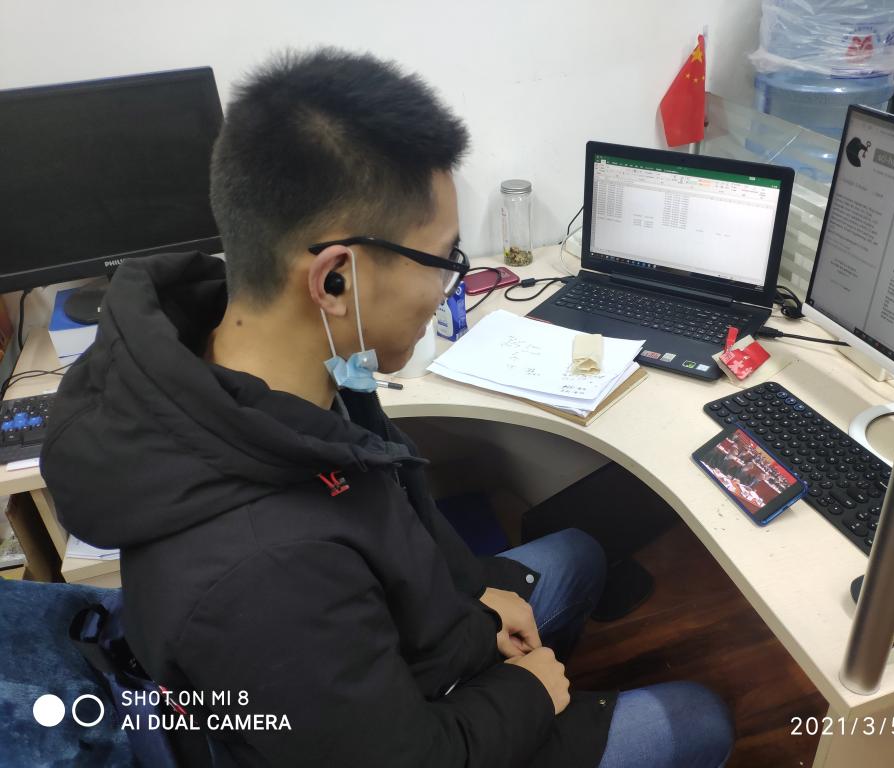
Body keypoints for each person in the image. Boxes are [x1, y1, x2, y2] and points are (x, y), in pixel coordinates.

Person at [41, 48, 733, 768]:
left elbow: (398, 519)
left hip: (409, 648)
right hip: (411, 728)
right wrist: (530, 694)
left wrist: (475, 600)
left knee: (581, 556)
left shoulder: (282, 367)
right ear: (335, 279)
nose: (447, 288)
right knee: (700, 720)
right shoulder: (265, 578)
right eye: (444, 261)